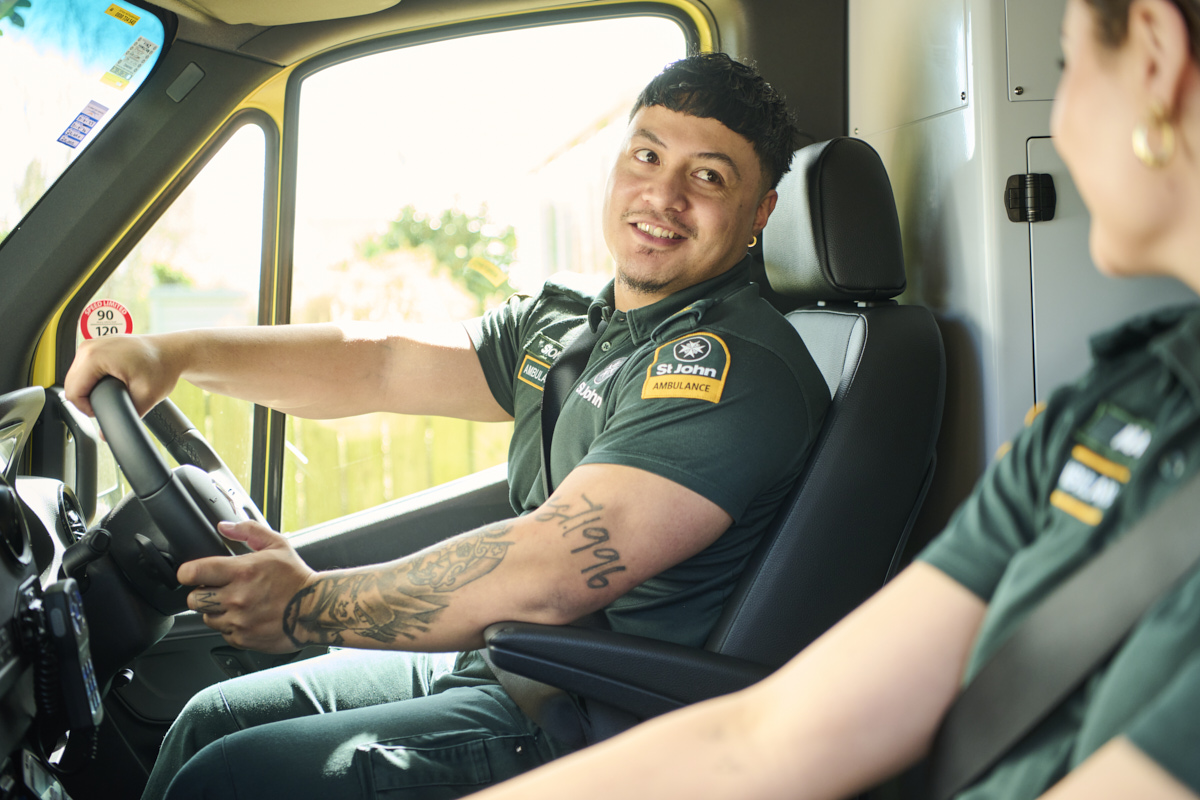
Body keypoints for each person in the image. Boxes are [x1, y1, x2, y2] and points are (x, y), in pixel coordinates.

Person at [453, 1, 1200, 799]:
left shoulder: (740, 362)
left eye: (1065, 66)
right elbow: (765, 739)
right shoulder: (1109, 409)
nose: (1059, 116)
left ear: (1153, 57)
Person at [64, 53, 830, 799]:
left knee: (224, 779)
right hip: (507, 661)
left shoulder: (728, 363)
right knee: (210, 720)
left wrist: (305, 604)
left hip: (596, 712)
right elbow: (380, 363)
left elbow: (553, 567)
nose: (661, 196)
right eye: (647, 155)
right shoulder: (577, 327)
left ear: (759, 212)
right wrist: (175, 354)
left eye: (708, 176)